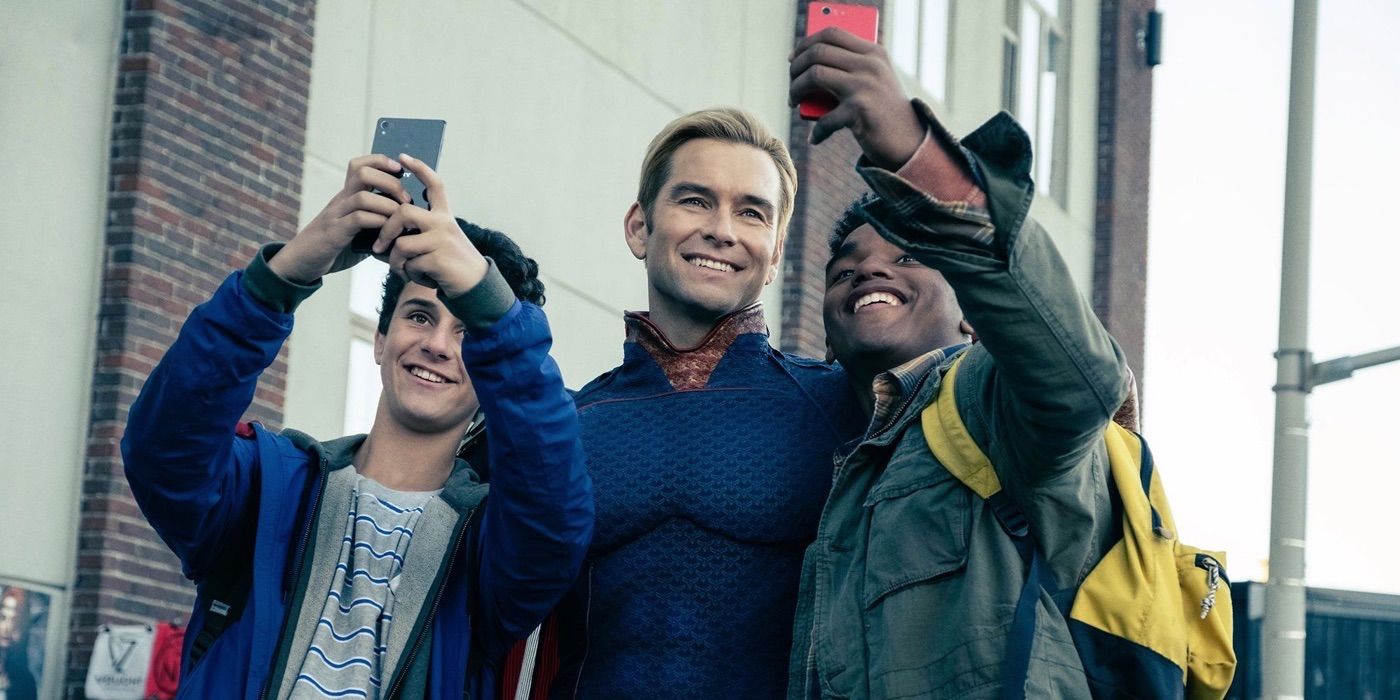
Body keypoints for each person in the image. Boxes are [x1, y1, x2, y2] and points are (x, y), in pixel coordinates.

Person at [121, 154, 593, 699]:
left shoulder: (490, 548)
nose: (437, 345)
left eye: (467, 334)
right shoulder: (266, 488)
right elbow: (164, 446)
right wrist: (288, 272)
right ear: (380, 339)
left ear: (491, 369)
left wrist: (491, 304)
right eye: (419, 316)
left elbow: (554, 513)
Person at [786, 27, 1131, 699]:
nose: (869, 270)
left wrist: (915, 157)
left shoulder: (991, 403)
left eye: (908, 256)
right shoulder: (838, 457)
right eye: (843, 268)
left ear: (974, 313)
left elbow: (1082, 387)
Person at [542, 106, 865, 696]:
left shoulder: (844, 409)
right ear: (640, 227)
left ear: (774, 254)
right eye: (695, 200)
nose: (723, 229)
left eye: (751, 212)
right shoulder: (570, 422)